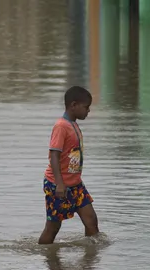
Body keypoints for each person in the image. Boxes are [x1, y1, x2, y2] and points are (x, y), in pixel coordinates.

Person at [38, 86, 99, 245]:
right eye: (86, 107)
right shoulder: (61, 126)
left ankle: (90, 261)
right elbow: (54, 155)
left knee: (91, 220)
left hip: (76, 185)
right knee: (53, 227)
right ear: (74, 105)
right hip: (58, 184)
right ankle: (47, 259)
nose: (88, 111)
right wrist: (59, 183)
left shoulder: (73, 125)